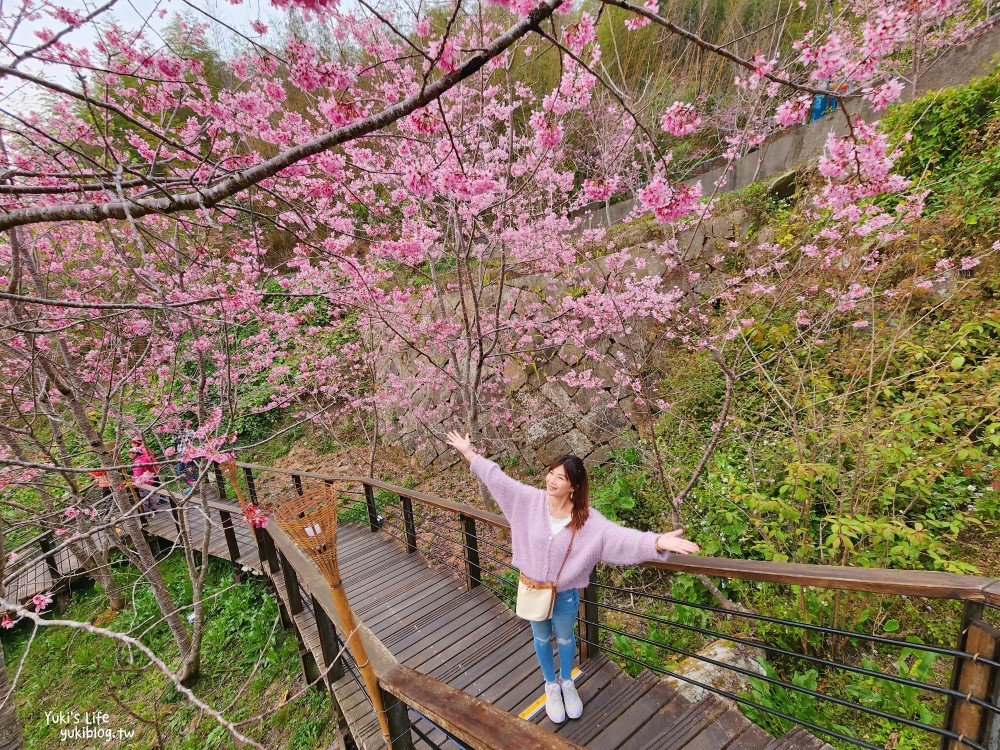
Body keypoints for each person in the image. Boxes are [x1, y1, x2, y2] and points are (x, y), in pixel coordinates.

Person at [445, 431, 699, 725]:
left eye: (560, 478)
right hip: (532, 588)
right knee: (541, 638)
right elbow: (497, 478)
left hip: (565, 594)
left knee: (565, 639)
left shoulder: (589, 521)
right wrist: (468, 452)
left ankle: (567, 682)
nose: (552, 480)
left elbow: (620, 538)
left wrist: (655, 543)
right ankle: (550, 684)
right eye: (551, 473)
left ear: (574, 487)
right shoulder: (528, 501)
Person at [128, 437, 159, 513]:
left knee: (144, 497)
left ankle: (146, 511)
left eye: (130, 453)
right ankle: (154, 508)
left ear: (135, 453)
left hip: (143, 482)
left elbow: (138, 474)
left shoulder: (137, 462)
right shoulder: (145, 458)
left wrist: (135, 481)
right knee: (151, 494)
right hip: (149, 479)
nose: (129, 455)